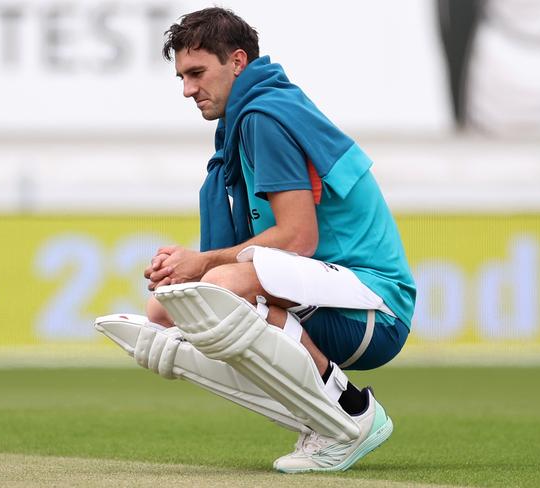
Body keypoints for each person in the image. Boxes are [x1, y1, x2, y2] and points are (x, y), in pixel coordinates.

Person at [97, 7, 415, 473]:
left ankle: (348, 415)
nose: (188, 89)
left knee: (220, 291)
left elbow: (297, 237)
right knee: (166, 309)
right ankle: (319, 420)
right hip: (332, 296)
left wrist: (204, 262)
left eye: (197, 73)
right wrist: (191, 268)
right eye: (182, 77)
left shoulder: (263, 118)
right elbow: (271, 249)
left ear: (238, 62)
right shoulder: (246, 120)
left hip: (375, 307)